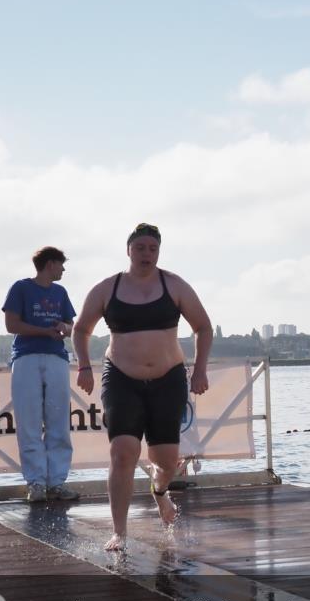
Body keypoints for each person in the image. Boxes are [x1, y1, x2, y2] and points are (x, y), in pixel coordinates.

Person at [73, 223, 213, 551]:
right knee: (122, 452)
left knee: (166, 462)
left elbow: (204, 327)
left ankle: (160, 491)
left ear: (159, 252)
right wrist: (83, 365)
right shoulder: (107, 288)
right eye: (140, 248)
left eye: (152, 248)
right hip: (121, 377)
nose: (146, 254)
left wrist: (200, 369)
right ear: (128, 251)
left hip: (168, 378)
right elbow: (81, 330)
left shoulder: (175, 285)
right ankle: (119, 532)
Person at [2, 247, 79, 503]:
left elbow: (72, 328)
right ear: (50, 264)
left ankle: (56, 482)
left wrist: (63, 328)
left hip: (56, 358)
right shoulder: (21, 288)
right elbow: (12, 325)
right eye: (61, 264)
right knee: (29, 421)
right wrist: (42, 331)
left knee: (58, 421)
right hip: (26, 357)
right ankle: (36, 483)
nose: (63, 270)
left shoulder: (60, 293)